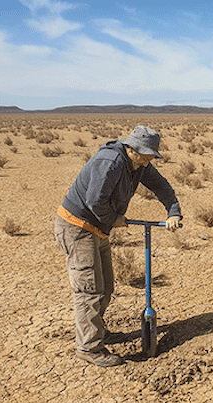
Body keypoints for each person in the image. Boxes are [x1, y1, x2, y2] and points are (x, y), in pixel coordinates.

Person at [54, 125, 182, 367]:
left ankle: (97, 331)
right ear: (132, 149)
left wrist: (173, 211)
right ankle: (89, 347)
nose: (149, 161)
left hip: (97, 228)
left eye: (151, 156)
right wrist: (114, 218)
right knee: (89, 290)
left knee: (106, 287)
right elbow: (94, 201)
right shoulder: (110, 162)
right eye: (146, 155)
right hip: (77, 227)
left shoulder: (138, 165)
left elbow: (161, 186)